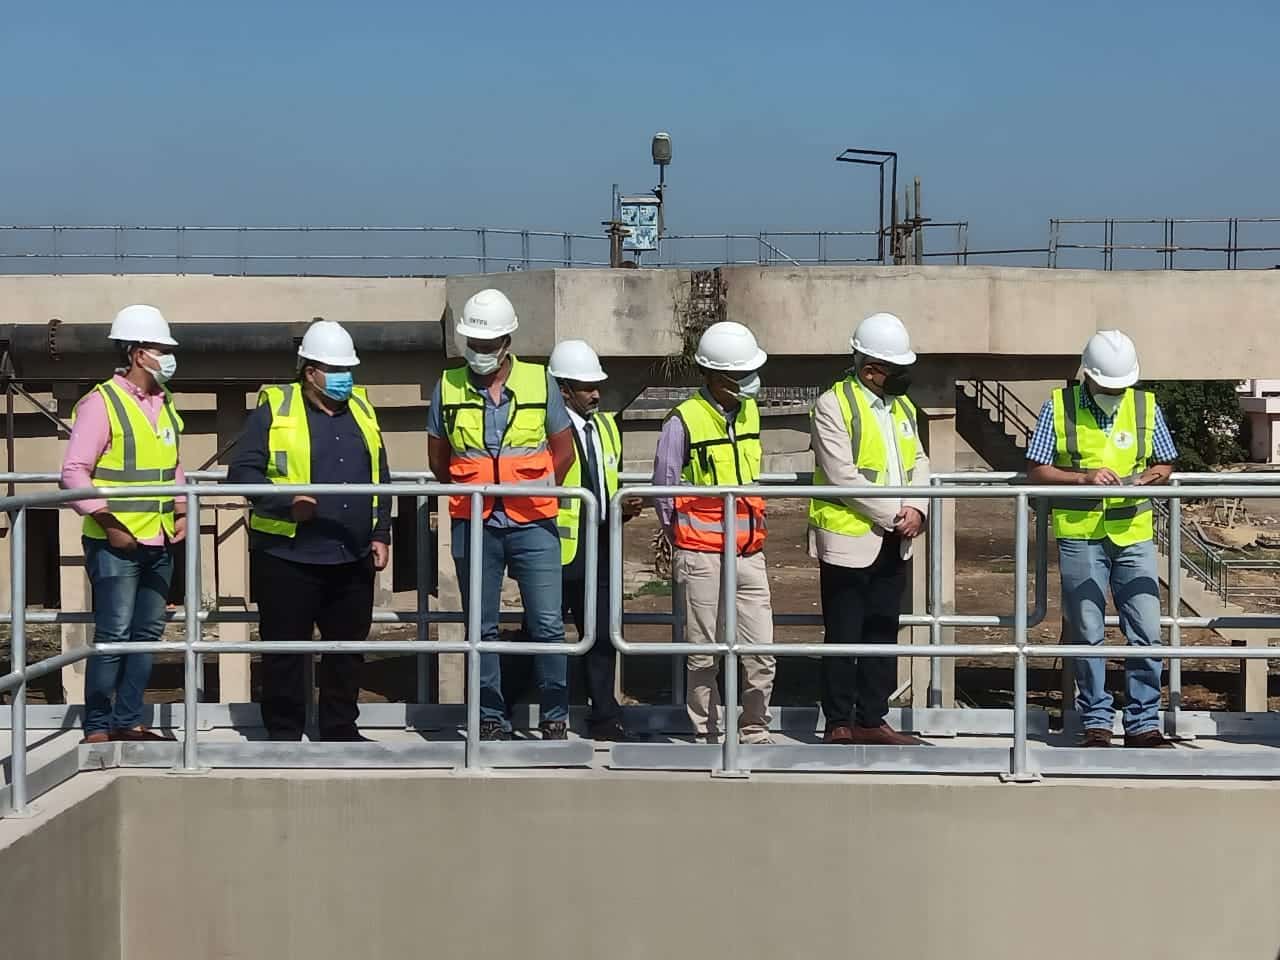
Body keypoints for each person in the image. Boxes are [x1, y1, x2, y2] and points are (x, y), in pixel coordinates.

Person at [229, 320, 390, 742]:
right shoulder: (275, 408)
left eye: (347, 369)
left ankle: (340, 729)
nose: (343, 378)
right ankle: (284, 733)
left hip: (352, 553)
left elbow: (381, 475)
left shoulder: (362, 409)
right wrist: (287, 503)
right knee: (285, 652)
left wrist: (381, 532)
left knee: (347, 651)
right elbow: (242, 473)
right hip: (288, 554)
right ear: (310, 372)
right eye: (334, 370)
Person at [427, 289, 576, 741]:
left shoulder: (539, 382)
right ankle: (490, 717)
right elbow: (438, 459)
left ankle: (555, 715)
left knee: (548, 624)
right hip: (475, 522)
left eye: (488, 345)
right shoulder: (447, 386)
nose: (480, 352)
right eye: (474, 344)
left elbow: (563, 450)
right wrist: (472, 489)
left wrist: (533, 488)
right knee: (482, 626)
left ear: (507, 342)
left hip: (534, 521)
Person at [1026, 330, 1177, 748]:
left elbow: (1165, 461)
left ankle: (1143, 722)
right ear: (1088, 376)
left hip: (1133, 533)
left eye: (1121, 386)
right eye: (1109, 386)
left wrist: (1151, 477)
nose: (1115, 393)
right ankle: (1096, 721)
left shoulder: (1144, 405)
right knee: (1087, 631)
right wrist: (1082, 478)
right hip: (1081, 534)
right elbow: (1036, 469)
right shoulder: (1059, 406)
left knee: (1146, 629)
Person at [61, 304, 187, 744]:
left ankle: (129, 721)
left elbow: (172, 464)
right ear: (137, 354)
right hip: (114, 541)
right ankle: (98, 726)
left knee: (146, 635)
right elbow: (74, 472)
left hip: (159, 537)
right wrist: (109, 523)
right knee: (114, 635)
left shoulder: (164, 402)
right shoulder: (102, 403)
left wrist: (181, 508)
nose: (168, 357)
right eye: (161, 349)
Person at [808, 312, 931, 746]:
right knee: (844, 632)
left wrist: (917, 508)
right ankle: (838, 720)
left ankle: (873, 717)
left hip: (897, 539)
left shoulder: (902, 407)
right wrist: (894, 515)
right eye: (896, 369)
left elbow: (919, 462)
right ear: (871, 369)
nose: (903, 377)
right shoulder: (833, 404)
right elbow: (841, 474)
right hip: (849, 538)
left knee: (882, 629)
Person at [653, 321, 775, 745]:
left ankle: (755, 728)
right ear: (715, 376)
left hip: (748, 551)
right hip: (700, 551)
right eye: (740, 374)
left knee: (760, 650)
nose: (749, 381)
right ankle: (706, 732)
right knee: (703, 652)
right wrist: (681, 539)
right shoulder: (683, 420)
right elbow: (664, 487)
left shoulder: (751, 412)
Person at [547, 339, 644, 741]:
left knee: (603, 633)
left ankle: (605, 715)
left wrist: (622, 506)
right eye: (586, 387)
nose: (596, 394)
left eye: (596, 386)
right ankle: (542, 713)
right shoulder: (547, 429)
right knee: (545, 633)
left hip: (601, 544)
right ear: (563, 389)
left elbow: (607, 482)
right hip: (557, 547)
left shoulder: (606, 427)